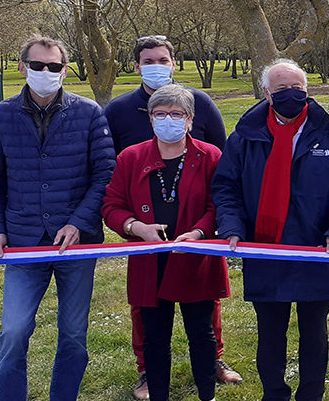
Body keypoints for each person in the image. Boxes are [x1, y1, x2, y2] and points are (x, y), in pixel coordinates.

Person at [0, 35, 115, 400]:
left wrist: (78, 222)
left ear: (65, 70)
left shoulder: (89, 113)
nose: (45, 72)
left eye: (53, 66)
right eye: (37, 65)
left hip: (77, 244)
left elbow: (105, 175)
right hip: (23, 242)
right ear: (22, 68)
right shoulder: (1, 115)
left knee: (73, 334)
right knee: (13, 332)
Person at [211, 59, 329, 401]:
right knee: (270, 333)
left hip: (316, 248)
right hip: (265, 249)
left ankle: (311, 395)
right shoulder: (244, 136)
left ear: (307, 90)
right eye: (281, 89)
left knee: (315, 332)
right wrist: (232, 226)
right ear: (266, 93)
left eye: (297, 89)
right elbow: (226, 187)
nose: (291, 95)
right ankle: (274, 394)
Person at [102, 35, 237, 399]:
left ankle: (208, 388)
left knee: (201, 332)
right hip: (149, 258)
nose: (168, 120)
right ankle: (152, 383)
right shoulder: (130, 157)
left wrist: (200, 233)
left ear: (191, 120)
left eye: (177, 114)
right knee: (154, 335)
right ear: (150, 119)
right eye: (160, 114)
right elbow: (111, 204)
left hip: (195, 258)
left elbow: (221, 201)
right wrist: (134, 227)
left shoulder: (209, 156)